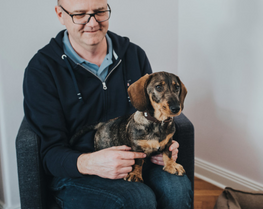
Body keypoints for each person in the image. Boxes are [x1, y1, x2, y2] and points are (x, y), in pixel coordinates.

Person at [22, 0, 193, 208]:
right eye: (80, 14)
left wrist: (163, 146)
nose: (92, 22)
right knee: (138, 198)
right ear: (60, 15)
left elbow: (150, 113)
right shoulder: (42, 70)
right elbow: (49, 154)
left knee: (178, 188)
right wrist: (90, 163)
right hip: (78, 172)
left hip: (138, 160)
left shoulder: (134, 54)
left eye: (100, 11)